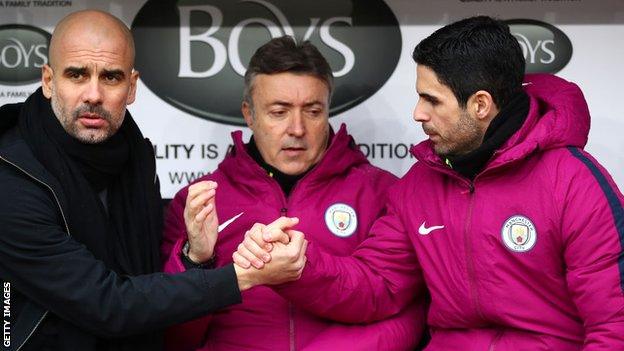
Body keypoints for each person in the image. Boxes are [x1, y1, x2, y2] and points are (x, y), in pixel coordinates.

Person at [235, 16, 624, 350]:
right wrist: (301, 266)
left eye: (431, 100)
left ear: (480, 104)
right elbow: (377, 286)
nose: (418, 113)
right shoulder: (419, 185)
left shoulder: (574, 182)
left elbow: (614, 326)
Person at [0, 10, 304, 351]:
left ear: (131, 87)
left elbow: (147, 285)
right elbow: (108, 304)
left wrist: (195, 256)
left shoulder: (133, 156)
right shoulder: (12, 178)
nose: (93, 95)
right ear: (48, 81)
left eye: (111, 78)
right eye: (77, 75)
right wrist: (243, 276)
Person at [161, 36, 424, 351]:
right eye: (279, 112)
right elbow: (173, 336)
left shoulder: (381, 192)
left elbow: (409, 311)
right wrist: (196, 263)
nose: (297, 129)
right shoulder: (199, 201)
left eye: (312, 111)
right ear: (249, 113)